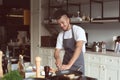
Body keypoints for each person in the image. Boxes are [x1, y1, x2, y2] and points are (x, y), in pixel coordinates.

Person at [53, 9, 87, 75]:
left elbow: (78, 48)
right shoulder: (61, 34)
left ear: (68, 20)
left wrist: (69, 65)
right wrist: (57, 58)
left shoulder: (78, 30)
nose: (61, 25)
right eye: (59, 24)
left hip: (77, 66)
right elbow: (56, 51)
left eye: (62, 22)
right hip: (65, 65)